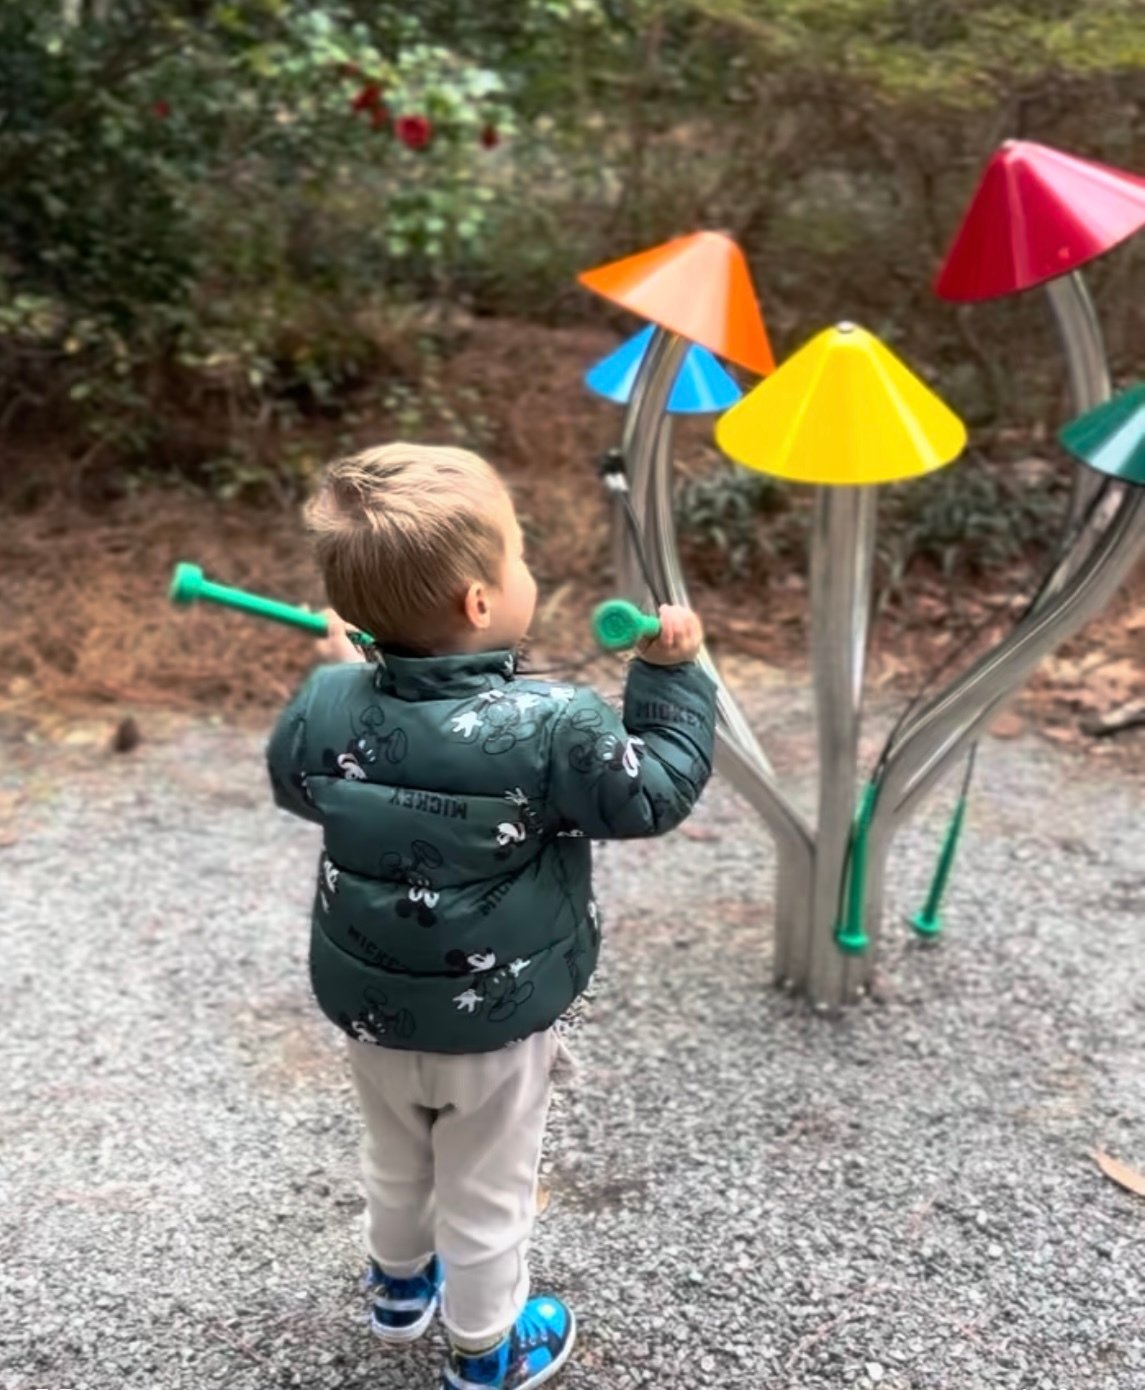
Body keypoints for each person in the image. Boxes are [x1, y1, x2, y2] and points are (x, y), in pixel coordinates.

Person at [266, 442, 716, 1389]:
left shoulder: (326, 700)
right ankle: (484, 1350)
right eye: (517, 557)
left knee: (396, 1158)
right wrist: (672, 679)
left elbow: (300, 785)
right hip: (497, 1019)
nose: (528, 573)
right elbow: (651, 798)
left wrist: (342, 674)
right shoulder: (555, 723)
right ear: (480, 601)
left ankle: (397, 1293)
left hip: (372, 1004)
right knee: (486, 1185)